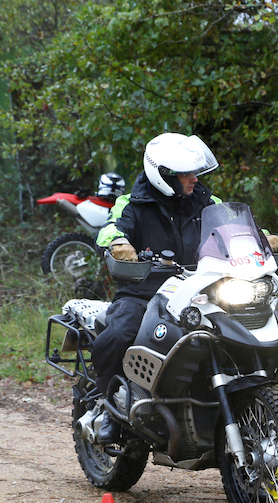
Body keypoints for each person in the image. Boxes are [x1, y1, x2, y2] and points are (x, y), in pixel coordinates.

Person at [90, 132, 222, 444]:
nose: (194, 178)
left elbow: (233, 224)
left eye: (194, 172)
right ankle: (106, 407)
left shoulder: (206, 200)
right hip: (144, 292)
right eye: (186, 174)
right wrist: (119, 242)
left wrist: (264, 236)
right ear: (164, 176)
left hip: (198, 292)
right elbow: (108, 229)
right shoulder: (132, 203)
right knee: (120, 333)